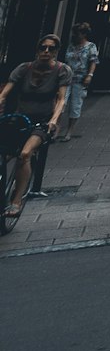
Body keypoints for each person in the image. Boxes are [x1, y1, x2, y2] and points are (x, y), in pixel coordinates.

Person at [0, 36, 72, 219]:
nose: (46, 52)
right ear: (37, 50)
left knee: (25, 154)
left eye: (51, 48)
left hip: (42, 121)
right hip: (19, 118)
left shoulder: (62, 71)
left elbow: (61, 98)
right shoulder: (24, 68)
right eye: (43, 48)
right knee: (5, 155)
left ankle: (16, 200)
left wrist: (54, 119)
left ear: (56, 51)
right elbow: (5, 91)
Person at [61, 21, 99, 140]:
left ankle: (69, 131)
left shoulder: (90, 46)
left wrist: (90, 75)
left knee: (75, 105)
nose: (75, 35)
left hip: (80, 79)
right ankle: (56, 128)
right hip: (66, 78)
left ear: (84, 34)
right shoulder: (71, 45)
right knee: (61, 102)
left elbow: (93, 61)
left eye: (78, 33)